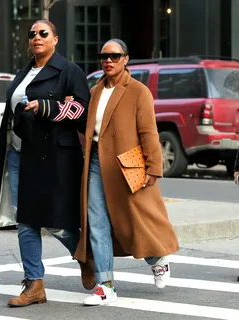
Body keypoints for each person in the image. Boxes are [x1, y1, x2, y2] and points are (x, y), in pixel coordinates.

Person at [0, 19, 95, 307]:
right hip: (20, 156)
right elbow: (12, 121)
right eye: (32, 34)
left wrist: (48, 107)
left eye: (43, 33)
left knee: (55, 220)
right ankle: (35, 285)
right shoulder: (22, 74)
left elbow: (82, 110)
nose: (37, 37)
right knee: (26, 220)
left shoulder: (69, 71)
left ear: (55, 39)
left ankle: (84, 254)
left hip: (54, 157)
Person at [74, 39, 180, 306]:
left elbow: (148, 132)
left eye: (114, 56)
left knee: (132, 221)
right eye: (104, 56)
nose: (108, 60)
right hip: (97, 163)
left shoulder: (138, 91)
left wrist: (153, 167)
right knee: (97, 222)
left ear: (126, 59)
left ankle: (157, 259)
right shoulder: (96, 90)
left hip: (127, 165)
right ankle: (105, 285)